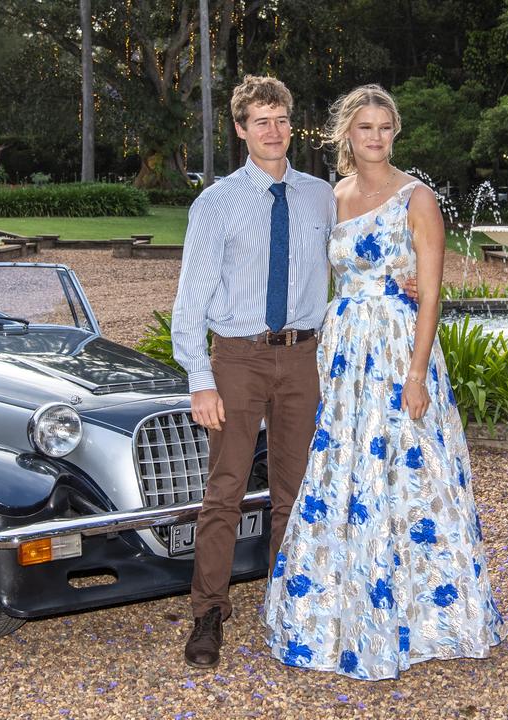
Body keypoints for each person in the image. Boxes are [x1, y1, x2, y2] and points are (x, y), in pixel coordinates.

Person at [262, 84, 503, 680]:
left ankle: (426, 617)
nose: (375, 137)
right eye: (365, 127)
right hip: (344, 352)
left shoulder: (417, 198)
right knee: (341, 471)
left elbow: (432, 296)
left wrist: (417, 372)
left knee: (412, 473)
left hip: (397, 350)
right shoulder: (333, 197)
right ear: (347, 133)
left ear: (395, 132)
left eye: (385, 127)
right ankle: (341, 614)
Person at [172, 75, 334, 669]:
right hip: (236, 358)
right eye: (261, 120)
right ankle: (208, 611)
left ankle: (288, 603)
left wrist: (405, 277)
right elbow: (191, 296)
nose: (274, 130)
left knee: (296, 492)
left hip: (301, 357)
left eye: (282, 118)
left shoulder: (322, 196)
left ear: (293, 124)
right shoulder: (215, 203)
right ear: (240, 129)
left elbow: (358, 255)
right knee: (226, 489)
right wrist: (199, 377)